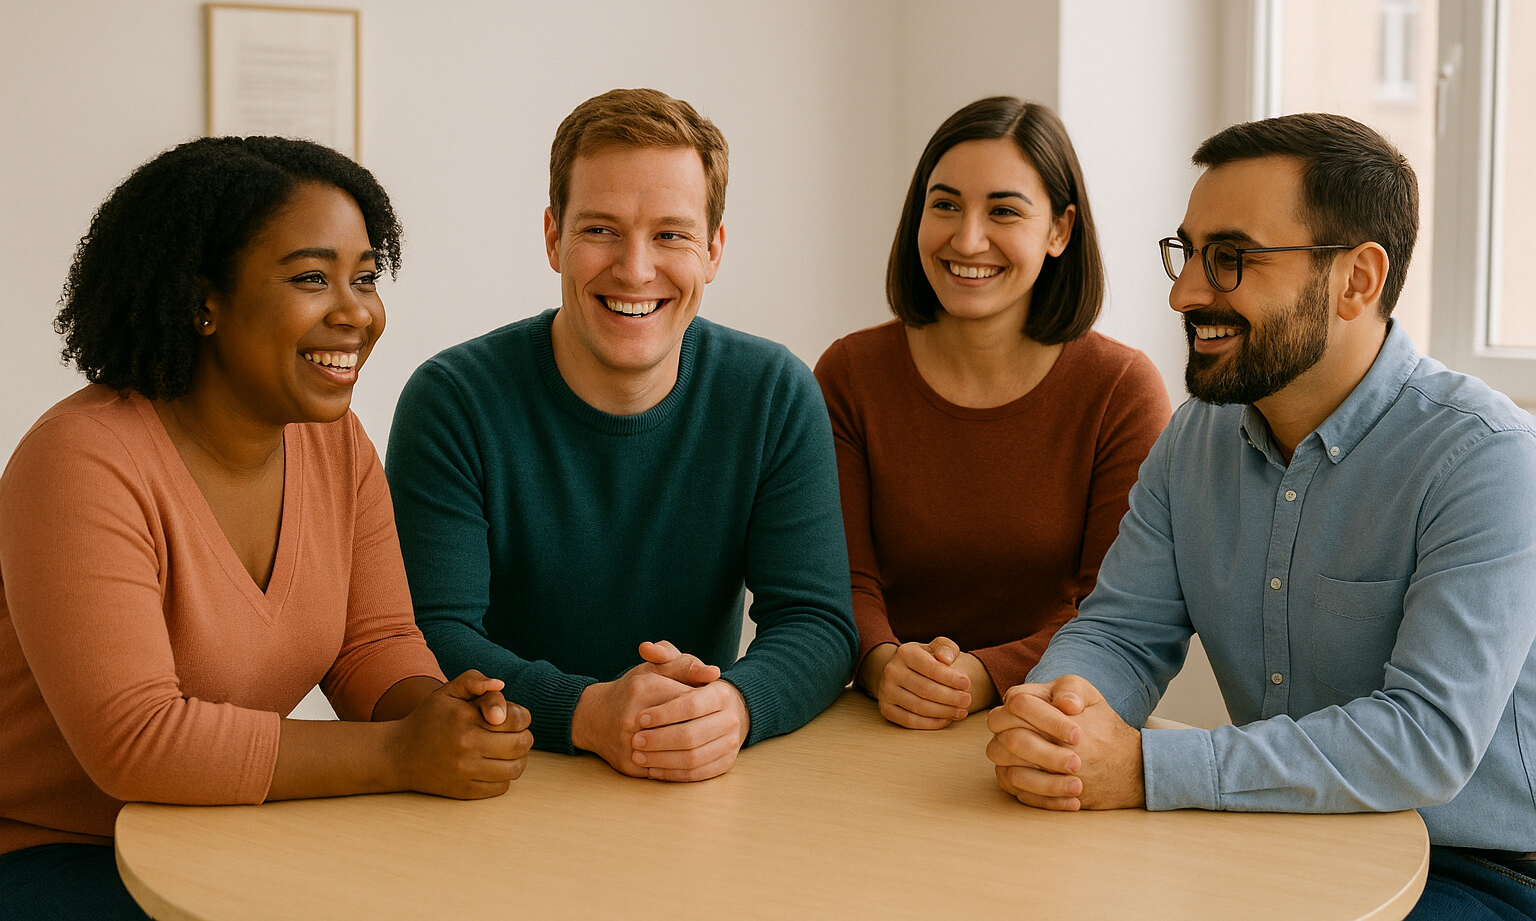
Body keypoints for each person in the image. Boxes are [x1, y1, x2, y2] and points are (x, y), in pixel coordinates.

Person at [985, 113, 1536, 919]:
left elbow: (1426, 740)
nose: (1184, 292)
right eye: (1188, 253)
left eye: (1231, 259)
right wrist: (1060, 719)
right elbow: (1121, 635)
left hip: (1477, 871)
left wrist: (1142, 768)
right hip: (1267, 835)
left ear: (1357, 280)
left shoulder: (1490, 460)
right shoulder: (1196, 438)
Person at [0, 137, 533, 921]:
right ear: (201, 301)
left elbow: (371, 643)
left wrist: (438, 713)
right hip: (52, 847)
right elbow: (136, 740)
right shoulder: (81, 460)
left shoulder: (334, 443)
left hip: (221, 832)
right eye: (312, 278)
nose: (355, 312)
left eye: (364, 278)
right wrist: (397, 753)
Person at [387, 88, 858, 783]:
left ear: (714, 251)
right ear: (553, 238)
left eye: (671, 234)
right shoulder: (453, 401)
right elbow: (427, 636)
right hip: (502, 776)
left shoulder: (773, 393)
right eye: (601, 230)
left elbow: (817, 622)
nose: (636, 268)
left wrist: (735, 706)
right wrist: (587, 712)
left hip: (686, 777)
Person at [814, 97, 1169, 730]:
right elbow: (840, 577)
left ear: (1060, 230)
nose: (967, 238)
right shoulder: (849, 373)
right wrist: (883, 662)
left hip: (1051, 720)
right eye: (944, 204)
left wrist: (981, 677)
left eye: (1003, 211)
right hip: (877, 719)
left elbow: (1115, 608)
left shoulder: (1121, 389)